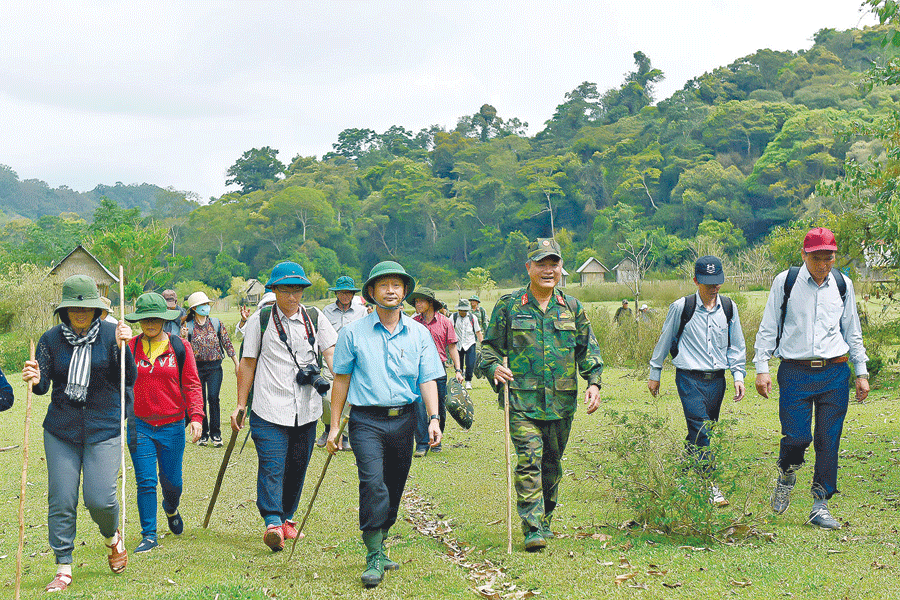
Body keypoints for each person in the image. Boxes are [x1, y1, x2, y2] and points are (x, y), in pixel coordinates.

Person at [479, 238, 604, 552]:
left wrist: (593, 382)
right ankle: (532, 528)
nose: (548, 270)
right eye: (541, 264)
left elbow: (587, 350)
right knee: (529, 460)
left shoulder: (572, 307)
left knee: (552, 463)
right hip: (521, 401)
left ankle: (545, 517)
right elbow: (488, 350)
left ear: (561, 268)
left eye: (554, 264)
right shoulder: (509, 306)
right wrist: (494, 368)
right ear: (529, 268)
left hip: (561, 402)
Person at [326, 261, 444, 588]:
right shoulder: (353, 333)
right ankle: (373, 553)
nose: (391, 291)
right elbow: (341, 380)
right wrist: (335, 426)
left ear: (405, 292)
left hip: (405, 419)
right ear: (372, 292)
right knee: (373, 482)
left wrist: (433, 419)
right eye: (383, 285)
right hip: (366, 421)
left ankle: (381, 538)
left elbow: (427, 379)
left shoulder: (419, 333)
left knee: (394, 486)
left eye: (397, 285)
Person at [21, 274, 136, 592]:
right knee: (62, 498)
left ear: (99, 310)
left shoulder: (114, 334)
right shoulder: (51, 340)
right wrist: (34, 375)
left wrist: (124, 348)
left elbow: (128, 377)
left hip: (104, 428)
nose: (81, 313)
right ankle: (63, 567)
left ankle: (112, 537)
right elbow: (43, 386)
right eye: (74, 308)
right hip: (61, 430)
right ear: (65, 310)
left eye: (87, 308)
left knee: (100, 499)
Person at [754, 227, 869, 530]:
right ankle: (787, 472)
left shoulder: (843, 284)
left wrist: (861, 372)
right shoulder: (786, 282)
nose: (823, 265)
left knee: (828, 440)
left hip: (834, 371)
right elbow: (769, 326)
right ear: (804, 255)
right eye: (817, 258)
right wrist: (762, 367)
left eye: (829, 258)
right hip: (794, 371)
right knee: (797, 437)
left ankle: (820, 504)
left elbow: (852, 330)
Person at [230, 262, 338, 552]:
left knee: (298, 466)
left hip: (307, 408)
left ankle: (288, 518)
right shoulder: (261, 320)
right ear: (274, 290)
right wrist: (241, 404)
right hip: (268, 407)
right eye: (286, 290)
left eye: (297, 290)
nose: (292, 297)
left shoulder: (315, 317)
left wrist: (341, 377)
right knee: (272, 465)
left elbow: (331, 352)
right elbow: (248, 362)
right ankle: (272, 522)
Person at [647, 256, 746, 506]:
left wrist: (738, 375)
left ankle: (681, 476)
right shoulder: (682, 307)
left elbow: (737, 346)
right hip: (689, 379)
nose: (714, 288)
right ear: (695, 281)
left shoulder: (729, 307)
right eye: (708, 283)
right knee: (701, 428)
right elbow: (665, 338)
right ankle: (710, 484)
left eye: (717, 282)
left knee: (702, 432)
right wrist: (655, 372)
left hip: (717, 381)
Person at [124, 292, 204, 554]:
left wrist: (196, 417)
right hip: (140, 425)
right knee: (145, 481)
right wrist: (116, 346)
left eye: (155, 318)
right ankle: (149, 534)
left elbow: (192, 383)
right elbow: (115, 380)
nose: (150, 324)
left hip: (172, 425)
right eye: (145, 319)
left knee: (172, 482)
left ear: (164, 319)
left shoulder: (179, 346)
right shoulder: (129, 347)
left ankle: (170, 508)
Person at [408, 286, 464, 457]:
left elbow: (452, 347)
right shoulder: (413, 322)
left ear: (430, 303)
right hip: (417, 370)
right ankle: (422, 443)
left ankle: (436, 440)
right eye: (415, 301)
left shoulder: (445, 322)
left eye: (420, 301)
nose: (417, 304)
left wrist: (458, 370)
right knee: (418, 406)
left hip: (439, 369)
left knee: (438, 407)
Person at [317, 275, 368, 450]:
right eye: (341, 292)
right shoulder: (327, 311)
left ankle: (343, 435)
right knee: (326, 396)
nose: (345, 296)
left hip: (352, 357)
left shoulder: (361, 311)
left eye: (348, 293)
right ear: (336, 293)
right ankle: (327, 428)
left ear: (353, 294)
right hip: (330, 355)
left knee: (348, 397)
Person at [182, 291, 238, 447]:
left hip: (215, 367)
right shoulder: (188, 326)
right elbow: (184, 348)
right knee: (200, 401)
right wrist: (184, 336)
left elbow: (227, 343)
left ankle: (216, 434)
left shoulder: (216, 323)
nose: (206, 307)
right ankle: (203, 434)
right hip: (196, 368)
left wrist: (236, 362)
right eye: (202, 305)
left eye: (206, 304)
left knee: (213, 398)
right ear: (194, 308)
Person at [453, 298, 483, 390]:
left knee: (470, 363)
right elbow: (449, 330)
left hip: (470, 342)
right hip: (458, 344)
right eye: (461, 310)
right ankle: (459, 381)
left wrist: (483, 344)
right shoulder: (453, 317)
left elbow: (478, 332)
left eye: (465, 310)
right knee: (459, 364)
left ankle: (468, 381)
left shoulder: (473, 318)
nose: (463, 312)